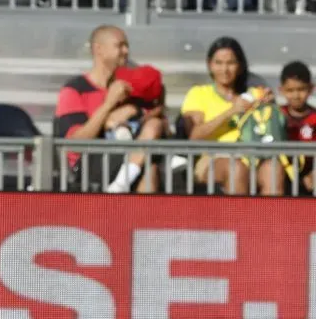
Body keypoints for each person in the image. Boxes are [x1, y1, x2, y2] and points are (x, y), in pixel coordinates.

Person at [54, 26, 165, 193]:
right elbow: (76, 143)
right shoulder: (74, 89)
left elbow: (157, 125)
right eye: (119, 45)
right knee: (147, 165)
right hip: (87, 165)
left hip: (130, 158)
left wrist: (135, 110)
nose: (126, 51)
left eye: (126, 45)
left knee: (150, 166)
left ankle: (142, 217)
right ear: (98, 49)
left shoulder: (132, 87)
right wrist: (109, 104)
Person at [180, 37, 281, 195]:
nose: (225, 69)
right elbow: (195, 135)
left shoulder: (252, 94)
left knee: (273, 169)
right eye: (218, 63)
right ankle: (237, 218)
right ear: (210, 65)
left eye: (231, 63)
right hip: (213, 158)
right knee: (236, 166)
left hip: (251, 156)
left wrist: (268, 105)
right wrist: (231, 111)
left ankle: (268, 219)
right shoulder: (199, 93)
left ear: (240, 66)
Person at [280, 60, 316, 191]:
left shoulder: (314, 118)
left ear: (311, 89)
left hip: (310, 177)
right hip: (282, 176)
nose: (296, 95)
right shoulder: (277, 115)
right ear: (281, 90)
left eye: (301, 89)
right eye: (290, 90)